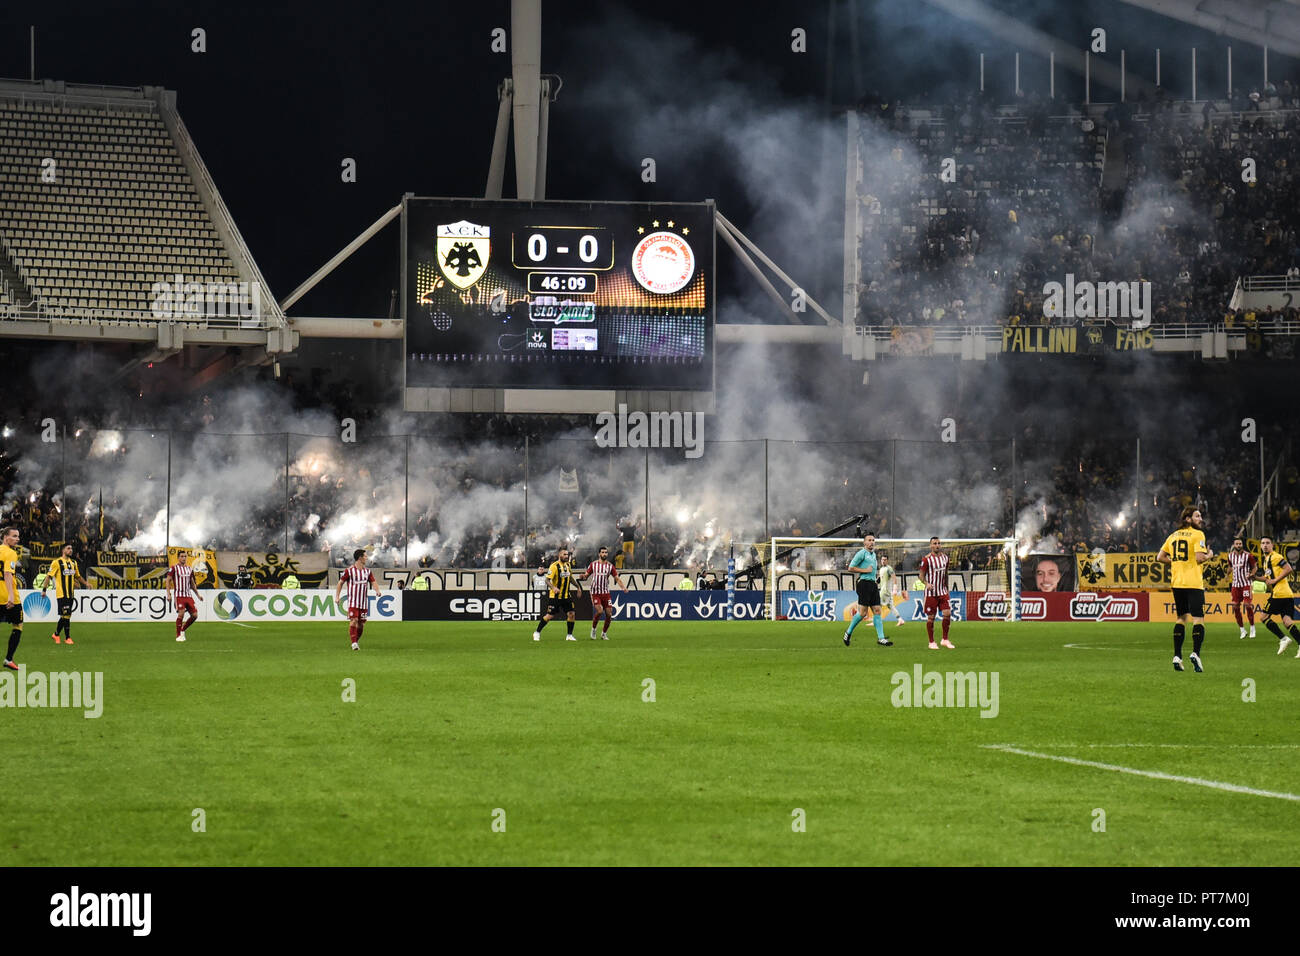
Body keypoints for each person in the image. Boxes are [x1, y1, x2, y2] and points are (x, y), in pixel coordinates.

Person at [1157, 506, 1212, 672]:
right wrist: (1210, 555)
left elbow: (1160, 557)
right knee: (1198, 619)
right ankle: (1195, 653)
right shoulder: (1198, 534)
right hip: (1193, 583)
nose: (1200, 519)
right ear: (1188, 519)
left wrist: (1174, 561)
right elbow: (1200, 558)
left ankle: (1177, 656)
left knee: (1181, 618)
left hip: (1177, 583)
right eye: (1197, 516)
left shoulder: (1173, 536)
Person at [843, 533, 892, 647]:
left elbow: (871, 570)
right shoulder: (861, 553)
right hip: (864, 584)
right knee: (862, 613)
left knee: (877, 610)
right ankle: (848, 632)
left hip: (872, 584)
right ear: (864, 542)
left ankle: (881, 638)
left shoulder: (873, 554)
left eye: (873, 540)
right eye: (869, 540)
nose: (871, 542)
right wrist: (865, 571)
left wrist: (875, 579)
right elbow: (850, 568)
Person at [1257, 536, 1300, 656]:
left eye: (1267, 543)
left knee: (1263, 617)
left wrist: (1275, 580)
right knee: (1287, 621)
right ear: (1260, 545)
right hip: (1287, 594)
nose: (1265, 545)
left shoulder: (1275, 557)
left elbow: (1288, 569)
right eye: (1263, 543)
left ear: (1272, 545)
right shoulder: (1266, 560)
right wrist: (1254, 577)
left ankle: (1283, 638)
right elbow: (1267, 579)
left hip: (1279, 594)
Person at [42, 543, 87, 645]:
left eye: (71, 548)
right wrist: (44, 590)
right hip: (62, 593)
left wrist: (86, 583)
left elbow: (78, 576)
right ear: (63, 550)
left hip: (71, 594)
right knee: (66, 614)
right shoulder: (56, 562)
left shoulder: (74, 563)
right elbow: (48, 576)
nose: (70, 550)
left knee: (66, 615)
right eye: (68, 548)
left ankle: (56, 634)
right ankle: (67, 638)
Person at [532, 547, 581, 641]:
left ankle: (569, 635)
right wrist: (553, 587)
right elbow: (547, 580)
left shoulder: (568, 565)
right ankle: (537, 632)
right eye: (564, 554)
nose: (566, 556)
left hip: (566, 595)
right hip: (555, 596)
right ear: (560, 555)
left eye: (567, 555)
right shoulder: (554, 566)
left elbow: (570, 578)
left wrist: (578, 587)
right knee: (550, 616)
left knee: (571, 614)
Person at [579, 545, 626, 640]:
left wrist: (623, 587)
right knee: (600, 611)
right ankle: (593, 629)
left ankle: (604, 633)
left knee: (609, 614)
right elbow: (586, 575)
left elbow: (617, 578)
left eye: (606, 552)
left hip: (605, 592)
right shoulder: (593, 564)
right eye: (603, 552)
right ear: (599, 554)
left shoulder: (610, 566)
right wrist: (582, 576)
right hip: (595, 592)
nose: (604, 554)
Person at [335, 548, 378, 651]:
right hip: (353, 602)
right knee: (354, 620)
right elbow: (340, 583)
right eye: (365, 556)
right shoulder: (349, 571)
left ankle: (355, 640)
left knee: (361, 624)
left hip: (363, 603)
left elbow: (373, 582)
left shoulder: (367, 571)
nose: (366, 558)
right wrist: (337, 596)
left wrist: (377, 590)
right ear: (360, 558)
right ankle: (354, 643)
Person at [920, 536, 955, 649]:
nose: (937, 545)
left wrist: (947, 589)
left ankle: (945, 639)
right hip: (931, 593)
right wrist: (926, 583)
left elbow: (946, 574)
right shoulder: (926, 559)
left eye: (939, 543)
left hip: (943, 591)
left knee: (947, 614)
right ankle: (931, 642)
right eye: (934, 543)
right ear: (930, 545)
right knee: (931, 617)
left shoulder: (945, 558)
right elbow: (921, 576)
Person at [166, 550, 204, 643]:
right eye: (182, 556)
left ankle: (183, 629)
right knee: (181, 614)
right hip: (179, 595)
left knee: (195, 615)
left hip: (188, 595)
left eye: (185, 556)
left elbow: (192, 583)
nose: (183, 558)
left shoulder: (189, 569)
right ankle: (178, 635)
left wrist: (198, 595)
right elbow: (168, 580)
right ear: (178, 558)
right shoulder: (174, 568)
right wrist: (168, 594)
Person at [1225, 536, 1258, 639]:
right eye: (1237, 544)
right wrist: (1227, 574)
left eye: (1240, 544)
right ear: (1234, 545)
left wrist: (1252, 574)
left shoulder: (1248, 556)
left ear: (1242, 545)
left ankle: (1252, 627)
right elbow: (1230, 566)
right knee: (1235, 606)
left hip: (1246, 584)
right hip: (1235, 585)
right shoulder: (1230, 556)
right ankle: (1242, 630)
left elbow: (1255, 567)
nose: (1238, 545)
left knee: (1248, 605)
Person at [1, 527, 22, 671]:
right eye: (14, 536)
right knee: (18, 625)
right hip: (8, 596)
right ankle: (8, 659)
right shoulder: (11, 553)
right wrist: (10, 596)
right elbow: (8, 574)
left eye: (18, 536)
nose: (17, 539)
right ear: (5, 537)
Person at [879, 555, 904, 627]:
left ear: (887, 561)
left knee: (878, 605)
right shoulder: (881, 569)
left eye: (885, 560)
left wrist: (895, 589)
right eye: (882, 560)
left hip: (886, 592)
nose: (883, 561)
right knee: (890, 606)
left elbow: (894, 578)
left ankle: (876, 621)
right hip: (883, 591)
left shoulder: (889, 569)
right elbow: (880, 579)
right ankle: (900, 619)